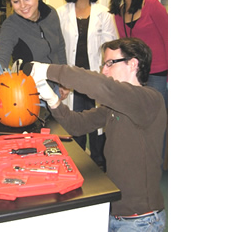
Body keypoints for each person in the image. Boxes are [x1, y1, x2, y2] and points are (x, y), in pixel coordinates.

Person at [27, 37, 167, 232]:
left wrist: (46, 70)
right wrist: (52, 100)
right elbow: (77, 124)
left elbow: (101, 85)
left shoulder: (149, 100)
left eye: (110, 63)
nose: (104, 70)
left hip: (141, 221)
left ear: (133, 64)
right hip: (116, 212)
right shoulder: (114, 107)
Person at [57, 0, 118, 171]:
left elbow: (112, 47)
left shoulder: (104, 14)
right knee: (75, 124)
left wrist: (107, 74)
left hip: (95, 78)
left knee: (98, 125)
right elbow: (57, 46)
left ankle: (100, 167)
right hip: (72, 79)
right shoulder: (61, 12)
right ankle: (76, 167)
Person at [0, 0, 67, 97]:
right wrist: (0, 70)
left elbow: (60, 48)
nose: (23, 6)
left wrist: (64, 80)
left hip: (55, 88)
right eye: (16, 1)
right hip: (30, 96)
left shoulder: (51, 13)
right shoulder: (11, 26)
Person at [109, 0, 168, 108]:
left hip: (158, 73)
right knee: (143, 116)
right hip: (137, 73)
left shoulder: (151, 4)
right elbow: (127, 47)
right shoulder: (119, 13)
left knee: (158, 116)